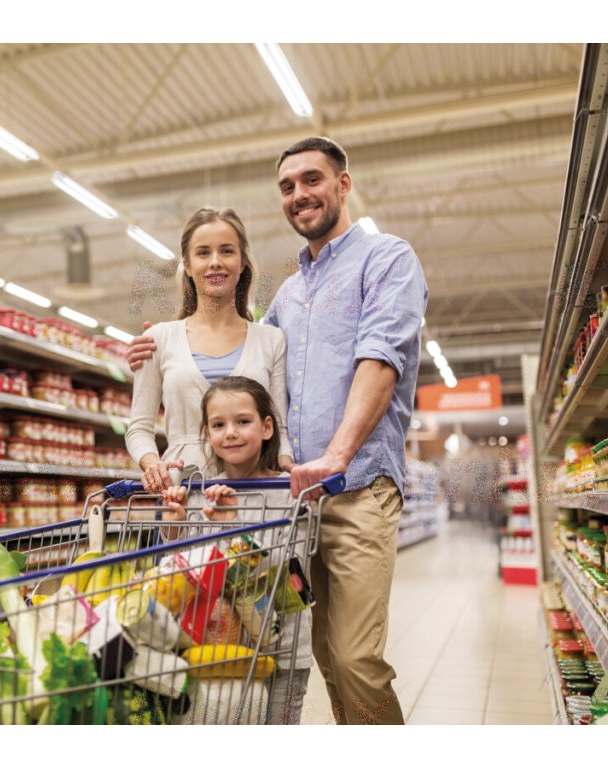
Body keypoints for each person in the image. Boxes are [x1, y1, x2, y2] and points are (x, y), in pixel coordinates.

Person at [127, 137, 427, 725]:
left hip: (355, 485)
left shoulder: (386, 258)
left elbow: (381, 359)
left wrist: (334, 456)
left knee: (355, 657)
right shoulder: (289, 296)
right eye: (287, 187)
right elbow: (259, 399)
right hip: (282, 503)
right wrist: (150, 352)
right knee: (320, 654)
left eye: (312, 180)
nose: (299, 195)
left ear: (343, 183)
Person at [160, 376, 311, 725]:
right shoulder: (200, 492)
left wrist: (234, 524)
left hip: (283, 648)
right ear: (207, 433)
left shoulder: (292, 493)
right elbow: (187, 571)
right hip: (218, 651)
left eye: (243, 421)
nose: (230, 433)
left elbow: (285, 573)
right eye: (218, 425)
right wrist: (174, 524)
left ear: (267, 427)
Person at [124, 207, 294, 494]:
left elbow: (279, 427)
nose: (215, 262)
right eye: (203, 253)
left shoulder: (271, 340)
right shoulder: (158, 339)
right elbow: (139, 428)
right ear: (188, 265)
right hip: (182, 494)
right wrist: (153, 464)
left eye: (226, 251)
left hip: (256, 496)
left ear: (242, 262)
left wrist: (287, 465)